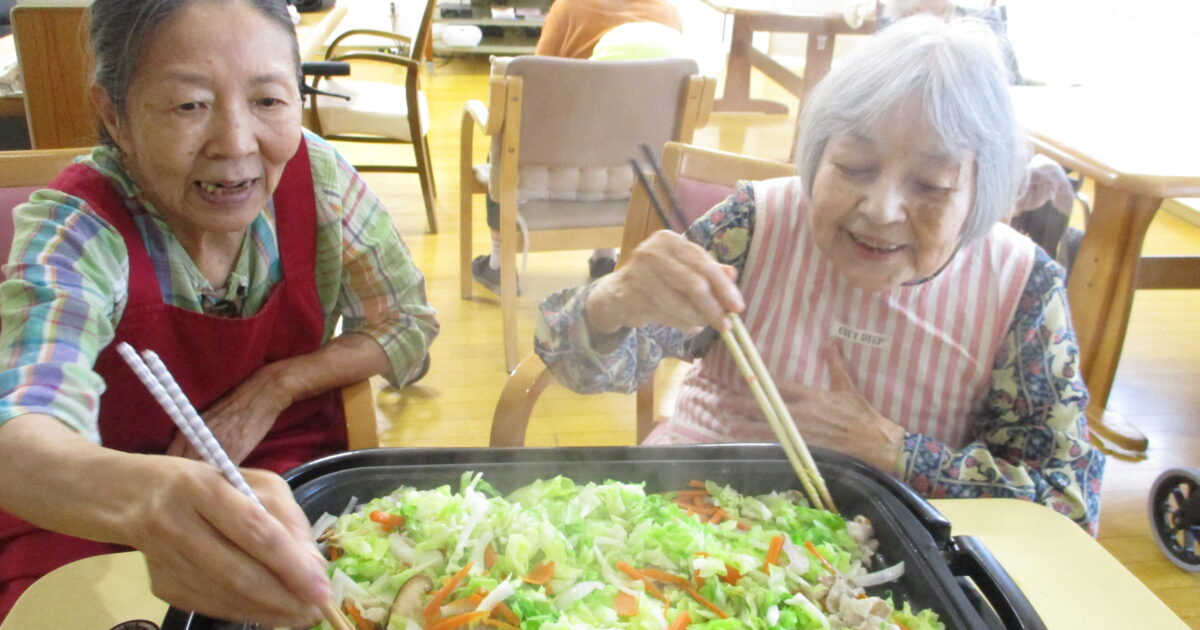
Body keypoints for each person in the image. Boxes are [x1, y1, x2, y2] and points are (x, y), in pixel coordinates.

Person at [535, 16, 1104, 533]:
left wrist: (898, 453)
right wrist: (610, 303)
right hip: (687, 518)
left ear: (982, 190)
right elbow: (572, 365)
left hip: (887, 551)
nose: (880, 210)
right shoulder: (753, 225)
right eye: (853, 167)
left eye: (931, 184)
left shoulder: (1021, 286)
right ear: (815, 155)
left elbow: (1071, 504)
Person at [0, 0, 438, 624]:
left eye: (268, 101)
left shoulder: (319, 180)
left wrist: (277, 386)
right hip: (87, 518)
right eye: (189, 105)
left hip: (289, 480)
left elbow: (407, 325)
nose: (236, 144)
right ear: (113, 115)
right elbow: (19, 429)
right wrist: (153, 497)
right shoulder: (77, 226)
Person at [470, 0, 684, 293]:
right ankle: (605, 258)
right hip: (638, 172)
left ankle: (498, 264)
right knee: (622, 127)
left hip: (554, 169)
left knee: (501, 148)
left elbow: (536, 81)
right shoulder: (667, 13)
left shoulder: (569, 8)